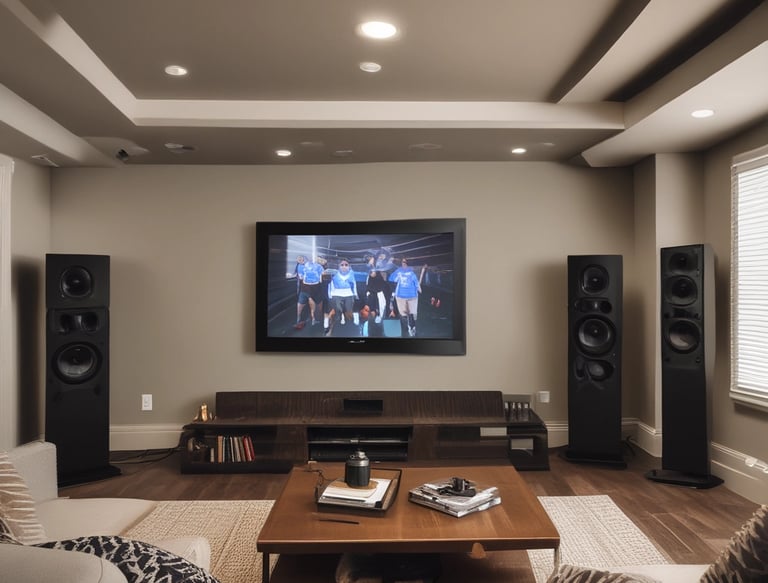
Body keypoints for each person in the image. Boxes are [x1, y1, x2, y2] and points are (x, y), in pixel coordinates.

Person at [324, 258, 359, 336]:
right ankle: (331, 329)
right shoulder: (333, 273)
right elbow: (330, 285)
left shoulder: (352, 273)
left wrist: (355, 294)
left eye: (346, 265)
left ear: (349, 266)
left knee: (349, 312)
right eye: (342, 265)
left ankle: (349, 329)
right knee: (337, 313)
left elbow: (354, 284)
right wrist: (331, 295)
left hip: (349, 294)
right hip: (336, 294)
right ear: (339, 266)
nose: (344, 266)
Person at [388, 257, 422, 336]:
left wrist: (418, 288)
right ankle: (411, 326)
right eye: (403, 262)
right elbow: (392, 278)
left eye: (405, 262)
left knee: (410, 313)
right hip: (401, 296)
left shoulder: (410, 272)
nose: (403, 264)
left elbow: (416, 282)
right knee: (405, 314)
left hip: (410, 296)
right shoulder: (399, 270)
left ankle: (411, 327)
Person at [294, 254, 326, 329]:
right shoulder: (319, 267)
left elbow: (300, 277)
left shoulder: (302, 266)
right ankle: (314, 319)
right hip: (313, 288)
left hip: (307, 288)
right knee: (315, 304)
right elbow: (322, 277)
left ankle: (300, 319)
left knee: (302, 303)